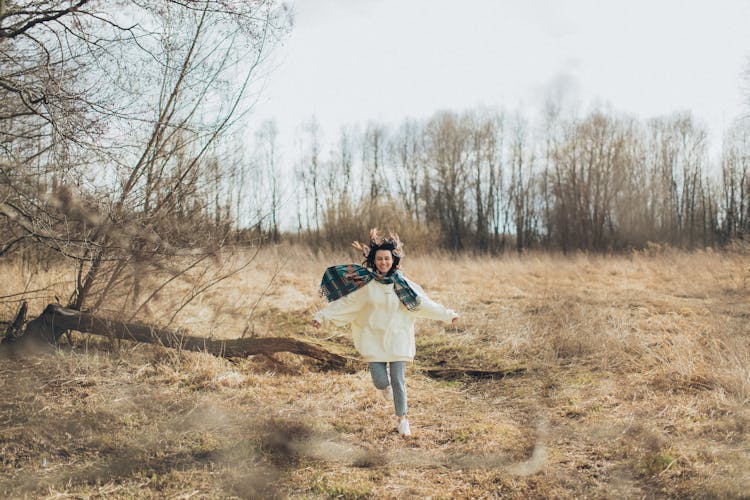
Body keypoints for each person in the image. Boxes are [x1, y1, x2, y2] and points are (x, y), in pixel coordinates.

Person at [312, 229, 459, 437]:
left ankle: (403, 421)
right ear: (374, 260)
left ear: (393, 260)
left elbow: (424, 304)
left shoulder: (404, 285)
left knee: (398, 380)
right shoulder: (367, 285)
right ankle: (384, 387)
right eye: (379, 258)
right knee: (381, 381)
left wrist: (447, 315)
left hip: (398, 338)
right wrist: (321, 317)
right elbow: (345, 304)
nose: (383, 262)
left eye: (387, 258)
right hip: (374, 339)